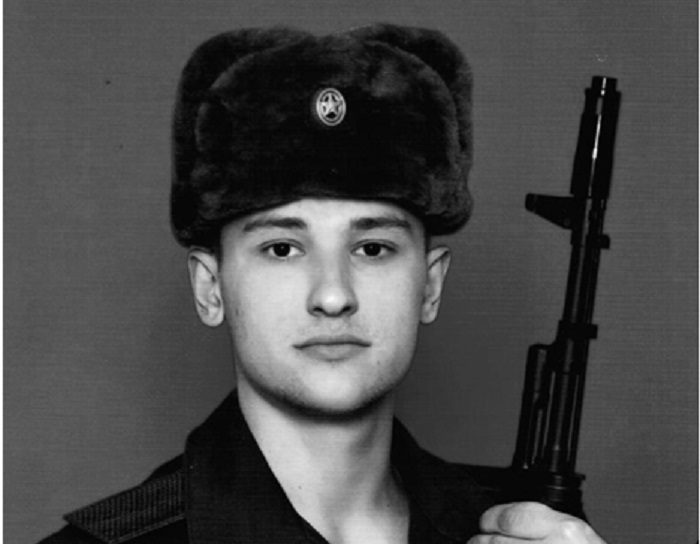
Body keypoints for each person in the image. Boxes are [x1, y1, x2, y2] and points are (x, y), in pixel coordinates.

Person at [40, 23, 607, 544]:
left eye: (373, 248)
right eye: (282, 249)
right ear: (210, 288)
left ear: (430, 285)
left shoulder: (515, 534)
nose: (333, 296)